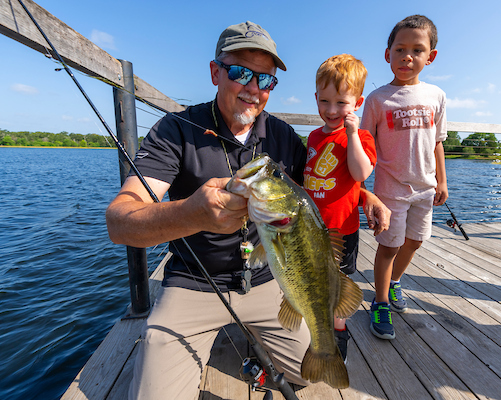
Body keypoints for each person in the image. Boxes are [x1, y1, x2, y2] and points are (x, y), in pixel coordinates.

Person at [105, 21, 390, 400]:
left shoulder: (283, 136)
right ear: (215, 73)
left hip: (271, 279)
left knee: (308, 375)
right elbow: (120, 222)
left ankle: (261, 340)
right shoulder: (176, 130)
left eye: (266, 80)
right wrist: (192, 213)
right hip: (195, 281)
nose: (254, 89)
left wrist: (365, 196)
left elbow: (311, 193)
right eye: (241, 73)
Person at [359, 15, 448, 340]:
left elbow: (437, 141)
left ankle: (395, 282)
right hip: (390, 190)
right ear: (388, 54)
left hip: (425, 189)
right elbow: (364, 147)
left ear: (430, 57)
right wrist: (363, 190)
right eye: (400, 49)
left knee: (416, 241)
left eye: (417, 50)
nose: (407, 57)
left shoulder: (436, 96)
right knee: (389, 246)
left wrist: (442, 180)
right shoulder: (378, 98)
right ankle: (380, 301)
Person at [303, 54, 377, 363]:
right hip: (309, 231)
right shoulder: (312, 136)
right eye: (325, 101)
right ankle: (308, 333)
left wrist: (350, 134)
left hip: (341, 231)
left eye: (342, 103)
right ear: (316, 98)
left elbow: (361, 174)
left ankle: (338, 333)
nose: (332, 110)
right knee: (310, 283)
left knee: (337, 289)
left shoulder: (361, 137)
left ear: (357, 102)